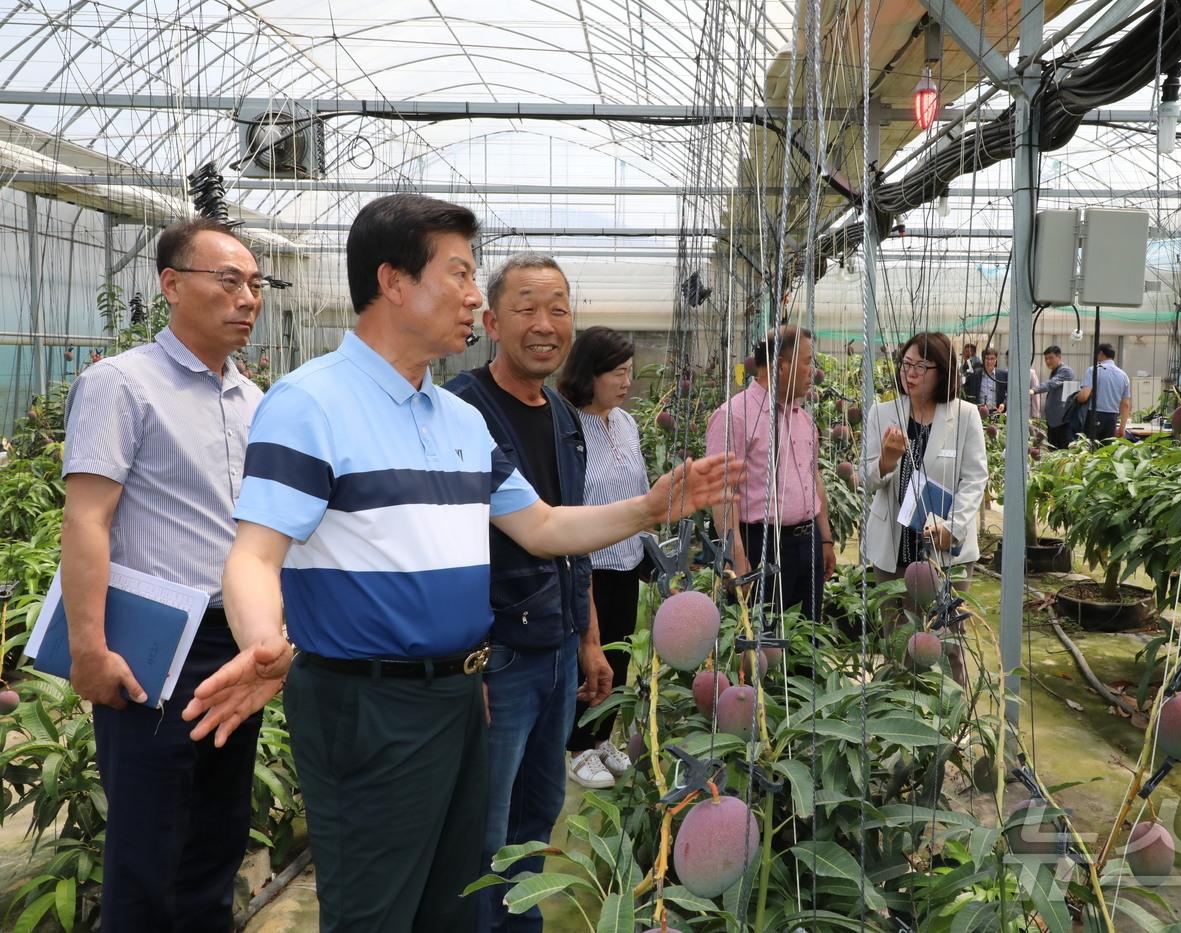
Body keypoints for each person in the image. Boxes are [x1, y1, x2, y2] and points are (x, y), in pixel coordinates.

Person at [179, 194, 736, 933]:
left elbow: (539, 526)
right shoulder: (310, 402)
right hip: (366, 704)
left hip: (461, 695)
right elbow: (253, 554)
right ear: (394, 282)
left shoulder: (460, 420)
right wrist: (260, 640)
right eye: (461, 273)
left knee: (454, 901)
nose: (477, 296)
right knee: (376, 910)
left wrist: (649, 507)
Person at [61, 217, 265, 931]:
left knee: (218, 832)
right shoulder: (121, 384)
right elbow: (87, 519)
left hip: (237, 643)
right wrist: (89, 645)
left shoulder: (255, 400)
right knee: (147, 844)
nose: (248, 297)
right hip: (155, 645)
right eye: (229, 280)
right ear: (172, 285)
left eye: (256, 283)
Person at [443, 253, 611, 932]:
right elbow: (443, 546)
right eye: (527, 307)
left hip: (555, 653)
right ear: (490, 321)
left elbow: (572, 541)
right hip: (499, 655)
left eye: (559, 307)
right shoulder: (462, 410)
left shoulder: (567, 418)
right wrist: (467, 658)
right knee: (483, 830)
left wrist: (589, 638)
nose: (545, 324)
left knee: (538, 815)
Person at [861, 332, 988, 681]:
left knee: (948, 643)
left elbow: (975, 478)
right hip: (893, 545)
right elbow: (867, 479)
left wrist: (954, 529)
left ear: (942, 372)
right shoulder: (883, 413)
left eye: (920, 365)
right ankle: (898, 720)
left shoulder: (964, 416)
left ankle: (950, 724)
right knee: (897, 639)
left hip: (943, 547)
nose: (910, 373)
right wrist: (886, 460)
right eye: (906, 364)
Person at [556, 326, 649, 790]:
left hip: (627, 561)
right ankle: (577, 746)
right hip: (587, 565)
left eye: (629, 372)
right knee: (587, 658)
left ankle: (603, 737)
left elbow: (640, 491)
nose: (625, 381)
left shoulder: (626, 423)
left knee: (619, 655)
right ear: (589, 374)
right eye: (617, 372)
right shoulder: (569, 426)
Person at [706, 325, 835, 627]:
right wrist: (736, 554)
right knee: (762, 649)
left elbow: (812, 478)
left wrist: (825, 539)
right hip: (760, 546)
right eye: (807, 361)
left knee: (807, 641)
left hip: (807, 544)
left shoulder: (803, 418)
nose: (812, 371)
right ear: (780, 366)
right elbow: (722, 493)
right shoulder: (734, 416)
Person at [1075, 342, 1132, 440]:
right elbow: (1126, 404)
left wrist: (1076, 397)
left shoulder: (1093, 370)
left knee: (1090, 449)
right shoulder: (1123, 375)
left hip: (1095, 416)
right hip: (1112, 418)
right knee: (1106, 450)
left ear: (1101, 353)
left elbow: (1084, 396)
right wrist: (1122, 428)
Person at [1034, 346, 1077, 448]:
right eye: (1046, 359)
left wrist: (1034, 390)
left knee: (1062, 450)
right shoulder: (1055, 371)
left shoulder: (1066, 371)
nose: (1048, 361)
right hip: (1054, 421)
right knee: (1053, 449)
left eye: (1051, 358)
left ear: (1059, 357)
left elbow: (1051, 384)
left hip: (1063, 421)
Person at [964, 348, 1008, 415]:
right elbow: (967, 392)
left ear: (996, 359)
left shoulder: (1003, 375)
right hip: (978, 413)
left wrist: (1004, 404)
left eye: (992, 358)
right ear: (983, 359)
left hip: (997, 412)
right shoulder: (974, 374)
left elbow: (1009, 393)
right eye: (987, 358)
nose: (989, 361)